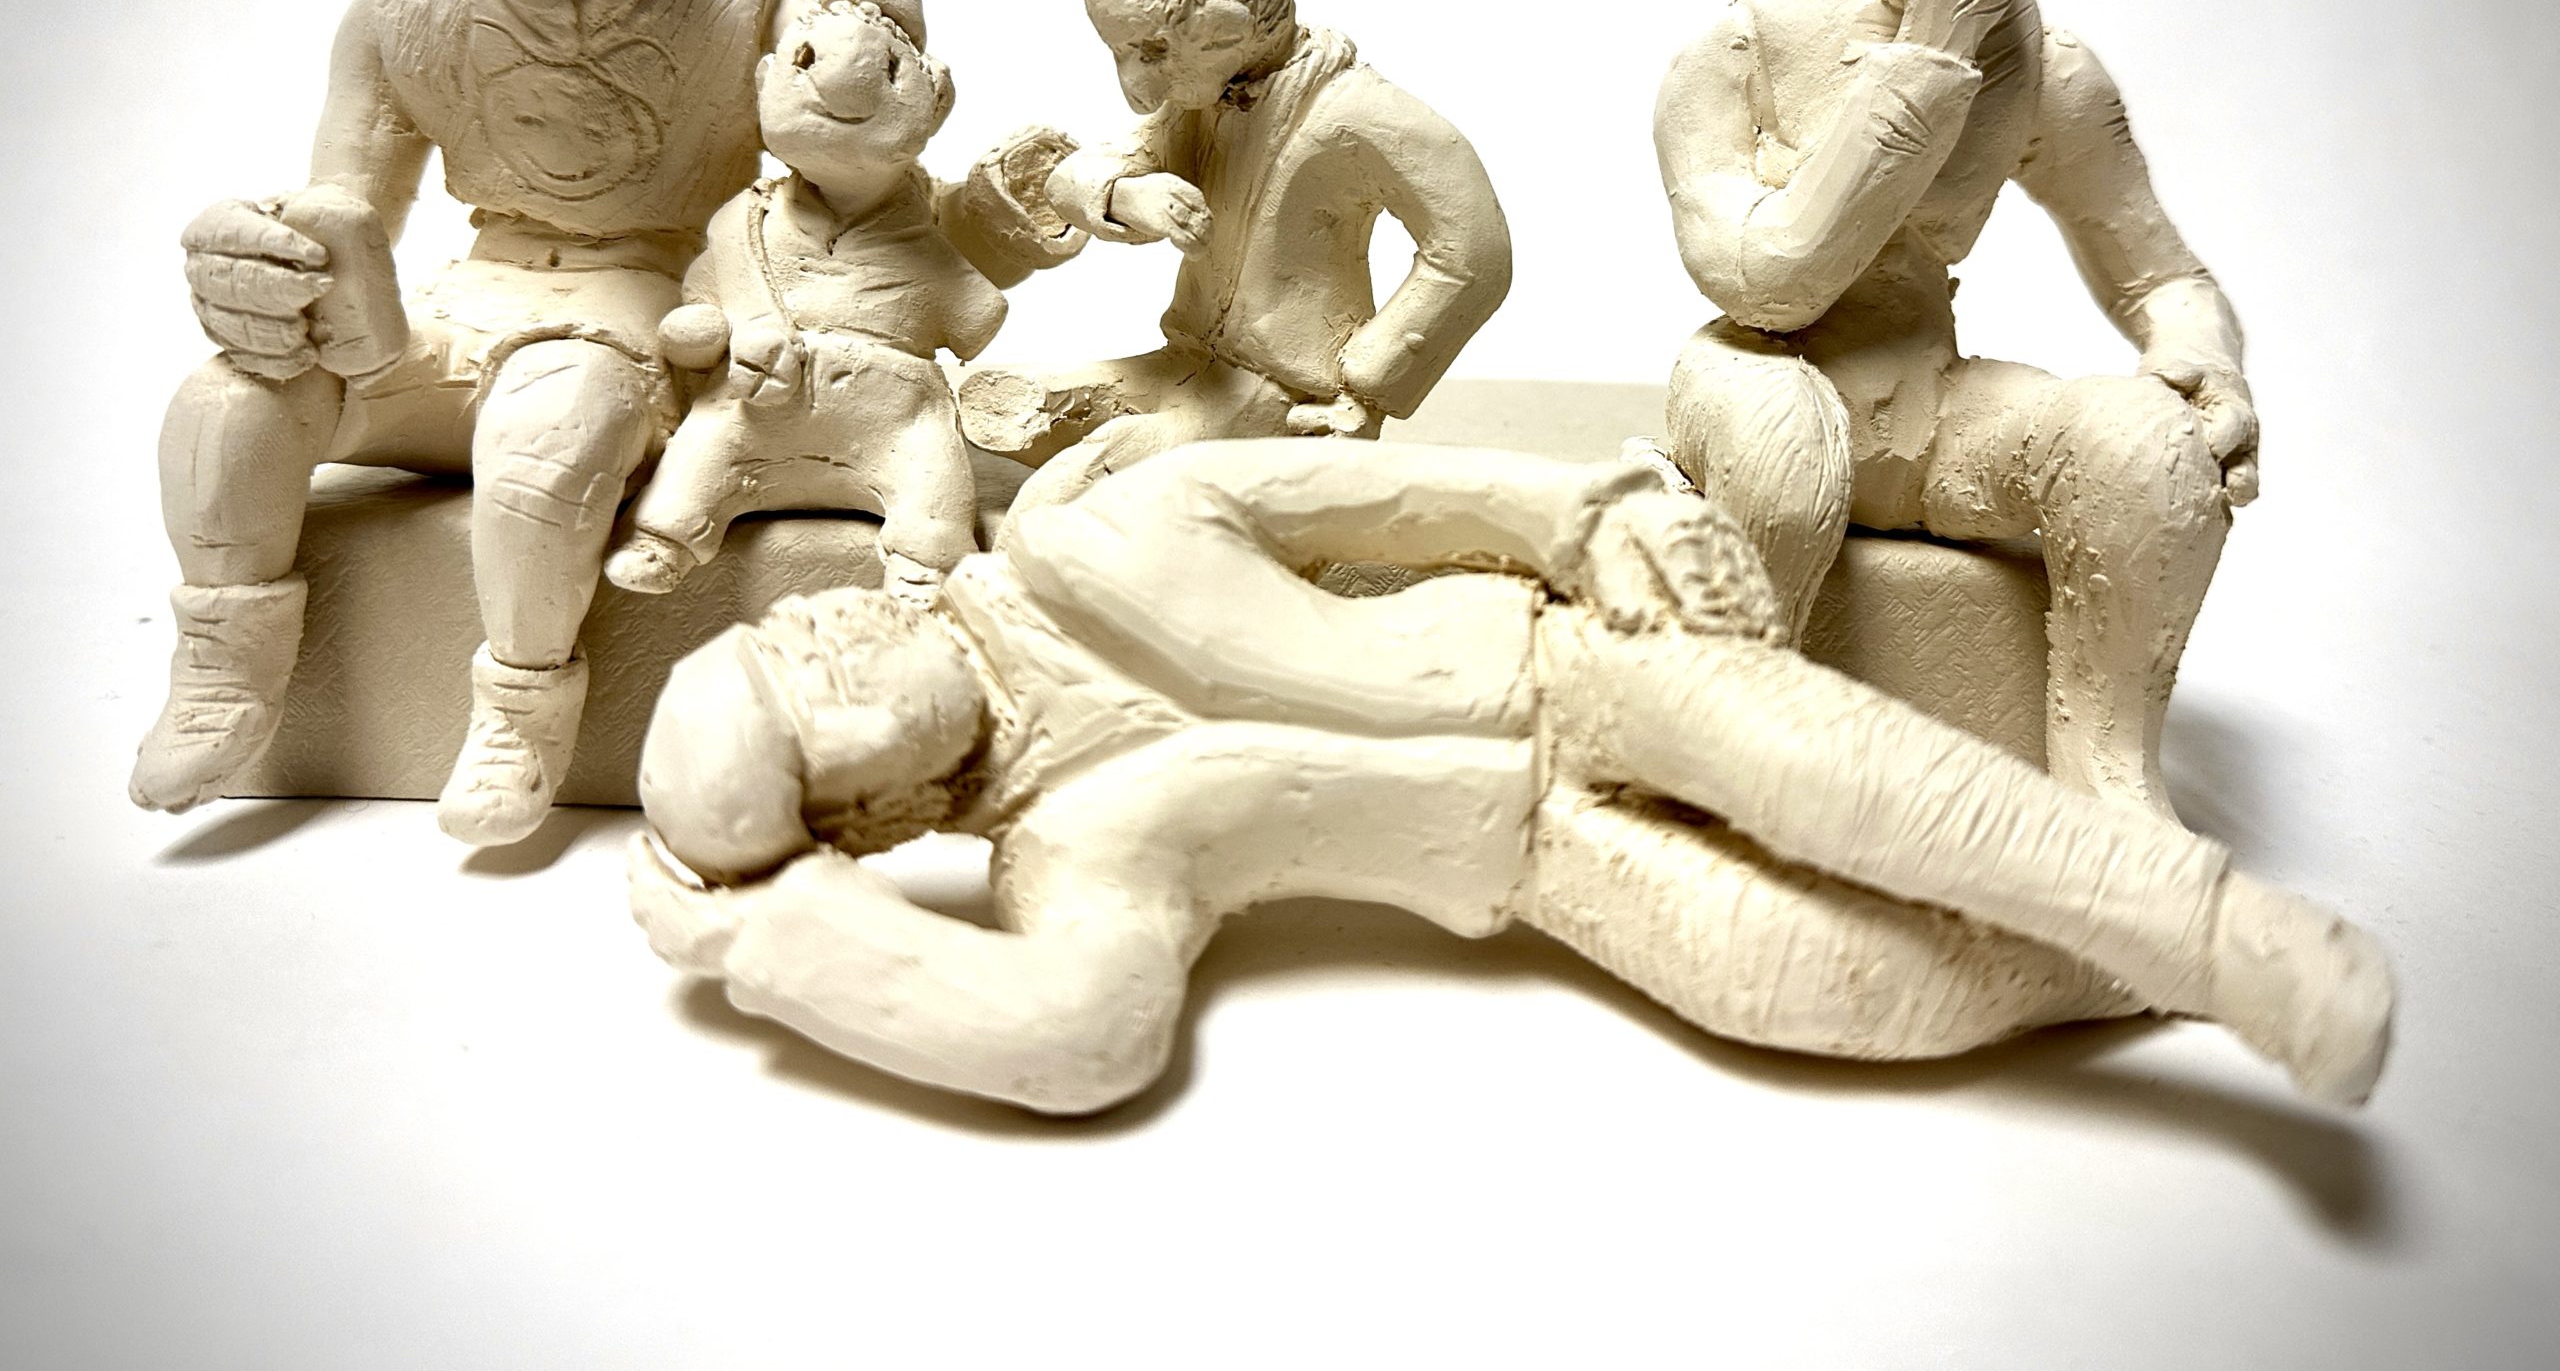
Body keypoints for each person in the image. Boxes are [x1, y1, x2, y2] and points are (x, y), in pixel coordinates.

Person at [628, 437, 2391, 1118]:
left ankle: (2236, 940)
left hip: (1586, 674)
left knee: (1854, 784)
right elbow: (1086, 1035)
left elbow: (1393, 492)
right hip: (1535, 863)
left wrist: (1585, 511)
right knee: (1824, 984)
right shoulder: (1074, 852)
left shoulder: (1105, 527)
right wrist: (775, 941)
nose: (825, 636)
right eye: (802, 711)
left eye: (790, 631)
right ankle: (2155, 969)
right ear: (863, 824)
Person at [132, 0, 795, 845]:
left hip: (635, 308)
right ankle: (226, 671)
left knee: (545, 445)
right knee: (226, 406)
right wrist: (265, 259)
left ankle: (522, 709)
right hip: (459, 303)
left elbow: (832, 182)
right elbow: (346, 206)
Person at [1653, 0, 2259, 816]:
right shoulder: (1744, 44)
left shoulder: (2035, 62)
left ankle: (2108, 797)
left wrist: (2201, 359)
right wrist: (1928, 59)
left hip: (1928, 407)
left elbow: (2162, 276)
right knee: (1785, 461)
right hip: (1762, 377)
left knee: (2144, 447)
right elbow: (1769, 280)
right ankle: (1724, 777)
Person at [957, 0, 1512, 523]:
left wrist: (1366, 388)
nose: (1137, 88)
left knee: (1064, 495)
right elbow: (1078, 175)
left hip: (1282, 399)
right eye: (1121, 53)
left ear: (1226, 28)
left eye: (1152, 52)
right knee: (995, 404)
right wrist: (1124, 194)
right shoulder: (1201, 104)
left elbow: (1474, 251)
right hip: (1186, 365)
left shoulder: (1361, 115)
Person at [605, 0, 1079, 603]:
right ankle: (667, 538)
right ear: (765, 81)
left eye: (888, 72)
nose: (845, 91)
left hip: (895, 417)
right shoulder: (743, 224)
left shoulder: (931, 226)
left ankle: (924, 560)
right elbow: (702, 310)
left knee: (932, 471)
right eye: (805, 62)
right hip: (758, 406)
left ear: (936, 100)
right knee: (703, 450)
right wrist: (698, 335)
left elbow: (979, 314)